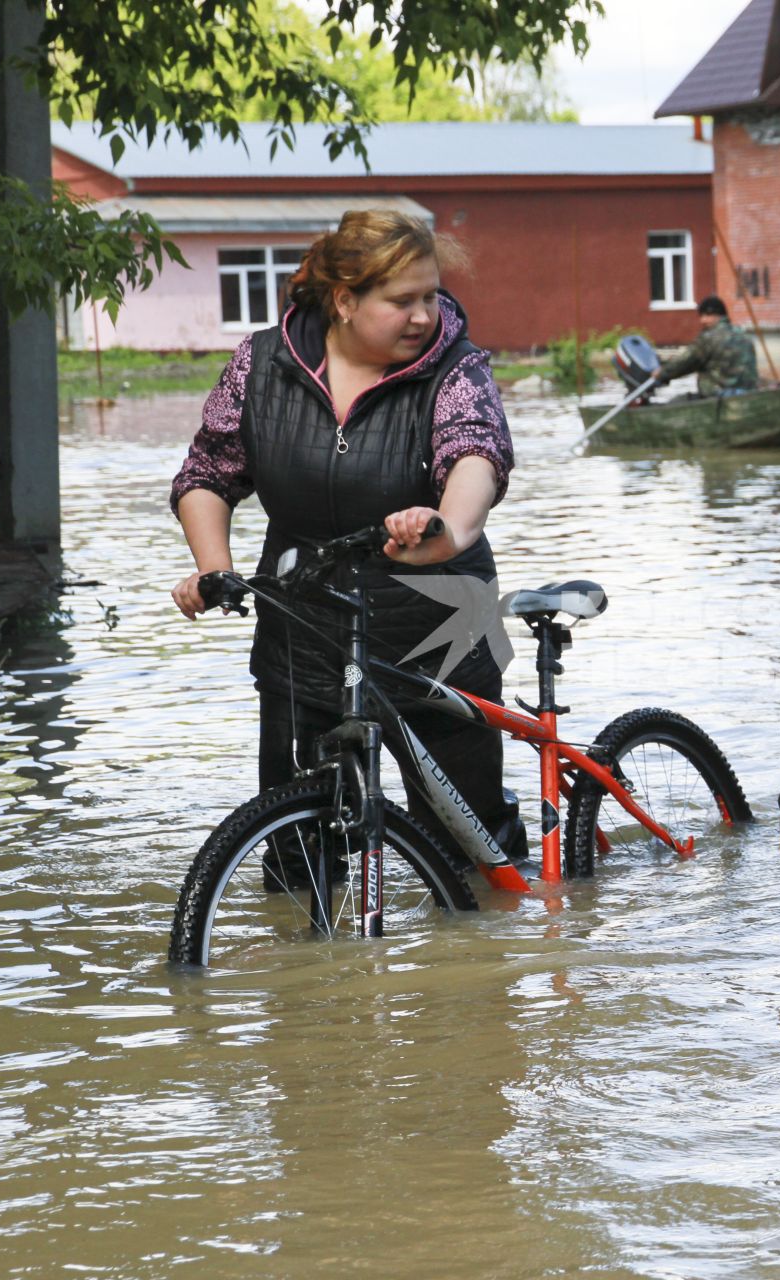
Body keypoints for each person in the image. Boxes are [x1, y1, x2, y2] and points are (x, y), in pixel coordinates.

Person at [169, 209, 524, 870]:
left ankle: (482, 960)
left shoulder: (457, 367)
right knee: (300, 852)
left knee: (468, 850)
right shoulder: (262, 363)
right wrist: (215, 569)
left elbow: (475, 453)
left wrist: (446, 528)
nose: (426, 315)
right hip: (302, 620)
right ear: (344, 300)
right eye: (403, 301)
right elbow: (207, 473)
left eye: (430, 296)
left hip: (444, 618)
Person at [652, 295, 760, 396]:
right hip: (748, 395)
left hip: (719, 398)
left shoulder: (708, 337)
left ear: (720, 315)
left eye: (708, 315)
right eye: (701, 316)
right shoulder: (743, 334)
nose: (702, 320)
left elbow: (686, 362)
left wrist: (662, 373)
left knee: (676, 404)